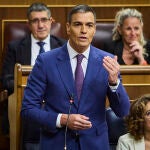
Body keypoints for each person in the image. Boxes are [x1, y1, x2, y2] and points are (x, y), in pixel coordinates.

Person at [21, 4, 130, 150]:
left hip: (95, 145)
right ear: (68, 27)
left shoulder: (108, 61)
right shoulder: (46, 61)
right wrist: (63, 119)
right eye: (78, 24)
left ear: (94, 29)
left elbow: (123, 112)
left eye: (89, 25)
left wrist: (114, 82)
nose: (84, 30)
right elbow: (28, 110)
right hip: (57, 143)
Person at [1, 2, 66, 150]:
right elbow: (6, 80)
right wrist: (34, 87)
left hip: (56, 103)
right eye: (35, 21)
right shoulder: (15, 47)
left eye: (44, 20)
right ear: (28, 24)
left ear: (51, 21)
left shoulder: (63, 46)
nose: (40, 25)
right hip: (25, 101)